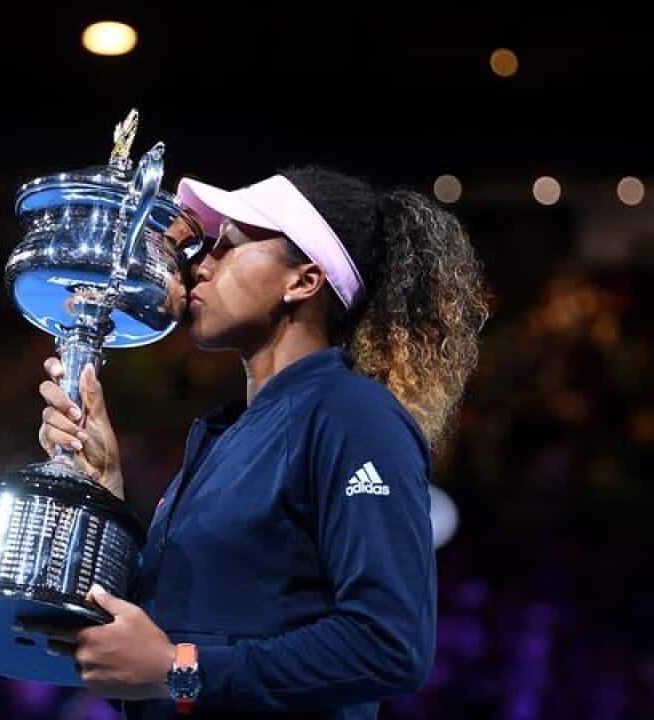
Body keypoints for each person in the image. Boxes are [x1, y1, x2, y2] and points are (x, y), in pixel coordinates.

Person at [30, 165, 489, 719]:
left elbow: (390, 646)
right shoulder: (225, 434)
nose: (198, 264)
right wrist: (106, 489)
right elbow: (188, 622)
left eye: (228, 246)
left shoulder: (354, 414)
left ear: (304, 280)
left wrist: (180, 670)